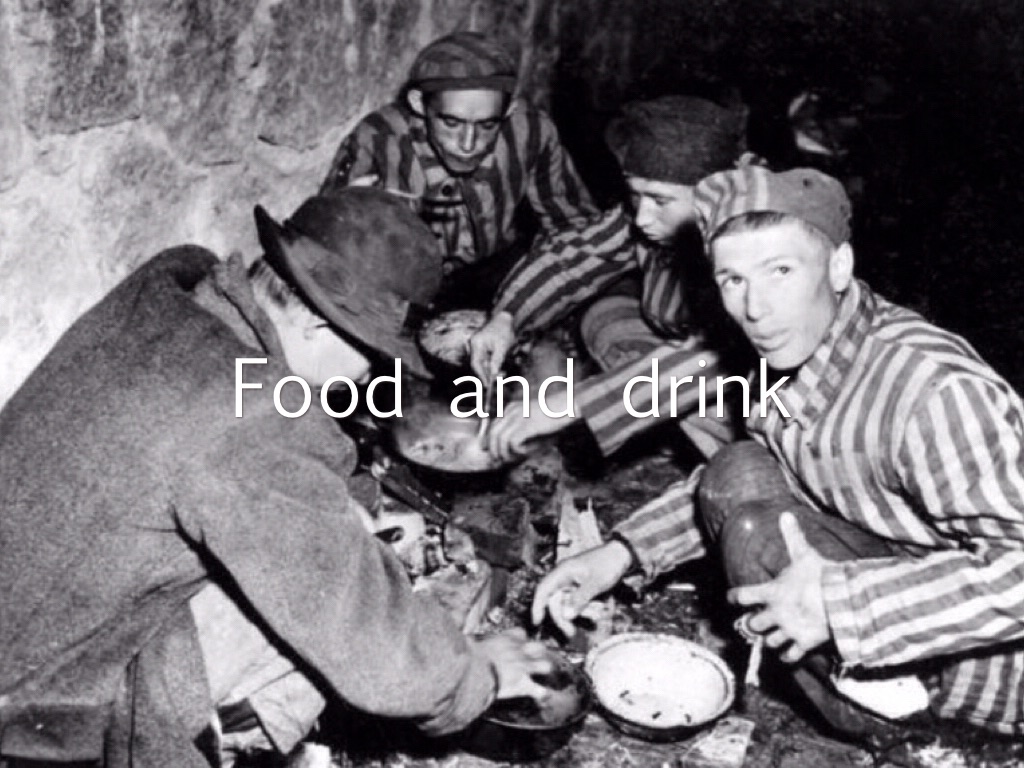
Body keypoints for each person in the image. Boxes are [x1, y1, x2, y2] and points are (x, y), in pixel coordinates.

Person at [0, 188, 553, 768]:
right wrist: (476, 675)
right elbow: (361, 631)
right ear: (317, 322)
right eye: (371, 354)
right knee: (309, 632)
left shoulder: (173, 306)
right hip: (30, 707)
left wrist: (342, 503)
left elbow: (215, 465)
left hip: (30, 615)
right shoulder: (253, 413)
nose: (367, 375)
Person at [531, 165, 1024, 744]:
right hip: (906, 573)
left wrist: (843, 604)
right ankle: (876, 690)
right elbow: (769, 462)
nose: (755, 308)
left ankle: (923, 738)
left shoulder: (933, 390)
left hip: (991, 670)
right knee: (737, 470)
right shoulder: (790, 354)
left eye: (781, 271)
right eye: (733, 280)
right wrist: (619, 555)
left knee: (757, 533)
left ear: (838, 267)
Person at [471, 95, 749, 462]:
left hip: (737, 374)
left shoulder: (752, 238)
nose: (643, 217)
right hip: (682, 344)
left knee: (698, 403)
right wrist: (507, 317)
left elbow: (713, 358)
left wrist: (576, 403)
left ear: (715, 195)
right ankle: (653, 423)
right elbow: (573, 258)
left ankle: (717, 461)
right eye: (636, 196)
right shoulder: (652, 219)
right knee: (603, 315)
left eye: (660, 201)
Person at [319, 31, 596, 308]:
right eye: (451, 123)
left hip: (494, 274)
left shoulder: (532, 131)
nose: (468, 144)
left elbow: (574, 227)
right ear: (419, 103)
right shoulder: (378, 137)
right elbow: (323, 236)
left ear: (509, 110)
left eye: (487, 125)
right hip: (401, 288)